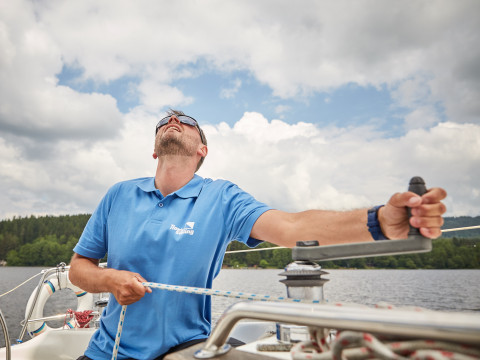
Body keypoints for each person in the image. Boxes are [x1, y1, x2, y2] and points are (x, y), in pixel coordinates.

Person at [70, 110, 447, 360]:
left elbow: (293, 228)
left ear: (202, 149)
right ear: (154, 149)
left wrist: (382, 222)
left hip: (183, 348)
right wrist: (108, 278)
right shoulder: (119, 194)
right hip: (107, 350)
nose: (173, 120)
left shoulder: (221, 197)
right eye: (165, 120)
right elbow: (78, 268)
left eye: (185, 120)